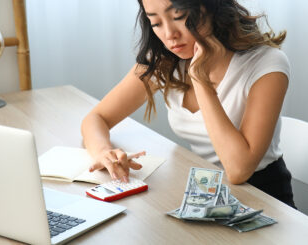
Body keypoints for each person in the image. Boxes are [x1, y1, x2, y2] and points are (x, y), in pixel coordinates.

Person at [81, 0, 296, 208]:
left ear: (212, 7)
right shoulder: (164, 59)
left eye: (179, 17)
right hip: (205, 192)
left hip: (262, 197)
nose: (169, 34)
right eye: (155, 23)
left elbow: (239, 170)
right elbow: (96, 118)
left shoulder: (266, 63)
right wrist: (103, 152)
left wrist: (199, 78)